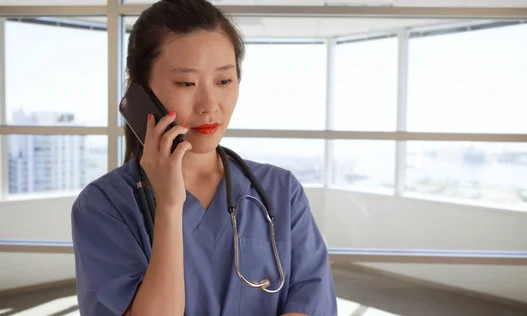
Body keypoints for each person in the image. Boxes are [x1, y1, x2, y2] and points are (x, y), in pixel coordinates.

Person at [70, 0, 337, 315]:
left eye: (224, 80)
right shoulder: (103, 206)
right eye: (186, 83)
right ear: (141, 92)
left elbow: (311, 300)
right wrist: (169, 206)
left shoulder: (281, 190)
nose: (209, 105)